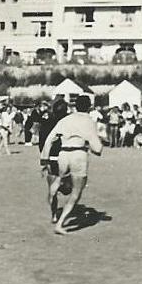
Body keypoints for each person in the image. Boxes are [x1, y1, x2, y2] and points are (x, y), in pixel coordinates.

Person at [41, 95, 104, 235]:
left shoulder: (65, 120)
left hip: (63, 154)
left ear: (75, 106)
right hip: (78, 154)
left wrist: (44, 159)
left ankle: (56, 185)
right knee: (76, 192)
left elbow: (49, 139)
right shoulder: (89, 121)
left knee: (60, 177)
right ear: (89, 107)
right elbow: (97, 149)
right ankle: (61, 223)